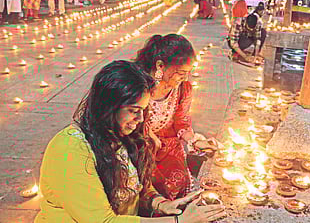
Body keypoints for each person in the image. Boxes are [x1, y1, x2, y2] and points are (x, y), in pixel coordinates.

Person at [34, 60, 225, 223]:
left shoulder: (121, 135)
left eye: (143, 110)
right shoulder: (69, 150)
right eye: (134, 111)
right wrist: (177, 221)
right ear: (108, 107)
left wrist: (160, 203)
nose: (141, 119)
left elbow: (135, 187)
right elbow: (104, 221)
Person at [135, 34, 221, 200]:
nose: (185, 78)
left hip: (166, 145)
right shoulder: (137, 83)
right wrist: (148, 135)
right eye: (181, 73)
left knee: (178, 181)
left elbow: (181, 123)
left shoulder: (183, 89)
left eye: (188, 73)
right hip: (137, 143)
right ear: (160, 65)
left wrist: (195, 141)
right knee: (146, 187)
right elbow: (126, 118)